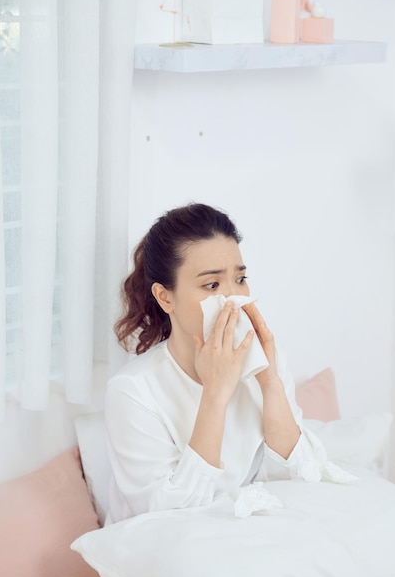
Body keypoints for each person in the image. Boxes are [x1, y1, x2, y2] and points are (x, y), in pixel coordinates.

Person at [104, 202, 350, 527]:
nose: (234, 299)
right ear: (165, 297)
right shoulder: (133, 391)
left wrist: (270, 382)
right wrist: (216, 394)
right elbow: (167, 519)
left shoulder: (264, 363)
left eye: (241, 279)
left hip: (246, 543)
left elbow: (298, 479)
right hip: (166, 556)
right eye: (212, 285)